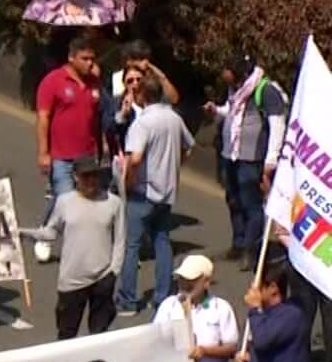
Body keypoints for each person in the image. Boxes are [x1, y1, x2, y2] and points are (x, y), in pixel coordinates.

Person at [21, 156, 125, 339]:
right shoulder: (64, 201)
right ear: (76, 177)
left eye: (94, 176)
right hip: (71, 280)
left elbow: (120, 240)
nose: (91, 181)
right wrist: (21, 232)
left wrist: (113, 272)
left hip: (102, 278)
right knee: (66, 334)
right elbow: (51, 233)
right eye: (86, 176)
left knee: (99, 335)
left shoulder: (114, 203)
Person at [119, 76, 193, 316]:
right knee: (162, 241)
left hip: (143, 191)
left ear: (142, 96)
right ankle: (163, 297)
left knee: (131, 245)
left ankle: (128, 301)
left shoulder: (143, 123)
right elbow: (188, 146)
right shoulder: (174, 118)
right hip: (167, 192)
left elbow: (137, 157)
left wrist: (128, 176)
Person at [208, 54, 288, 270]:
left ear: (238, 72)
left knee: (251, 204)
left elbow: (277, 126)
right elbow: (230, 110)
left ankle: (251, 250)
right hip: (231, 154)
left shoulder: (265, 90)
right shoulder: (236, 88)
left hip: (252, 158)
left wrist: (271, 160)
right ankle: (238, 242)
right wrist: (216, 110)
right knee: (233, 199)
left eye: (227, 69)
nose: (223, 74)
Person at [34, 36, 104, 241]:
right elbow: (43, 117)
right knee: (65, 199)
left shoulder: (94, 83)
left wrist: (102, 147)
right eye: (85, 58)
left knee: (79, 200)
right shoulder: (53, 81)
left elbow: (98, 118)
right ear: (71, 57)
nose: (90, 63)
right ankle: (48, 235)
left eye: (92, 58)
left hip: (87, 155)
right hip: (61, 156)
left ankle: (53, 232)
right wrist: (43, 152)